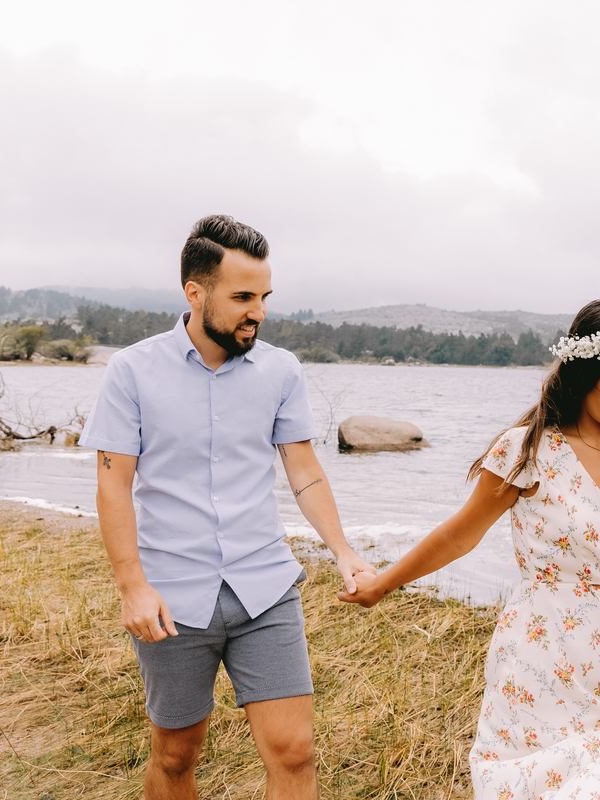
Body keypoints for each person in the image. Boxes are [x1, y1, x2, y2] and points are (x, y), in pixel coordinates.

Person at [80, 215, 374, 799]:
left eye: (264, 296)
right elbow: (113, 486)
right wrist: (132, 586)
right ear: (196, 293)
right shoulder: (132, 370)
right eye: (243, 297)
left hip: (264, 586)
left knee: (295, 752)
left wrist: (343, 552)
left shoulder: (281, 370)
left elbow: (304, 471)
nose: (257, 311)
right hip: (172, 598)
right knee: (176, 755)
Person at [342, 298, 600, 800]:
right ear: (585, 369)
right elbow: (460, 535)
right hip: (540, 657)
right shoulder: (530, 451)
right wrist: (382, 585)